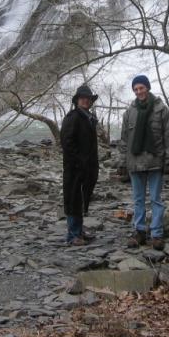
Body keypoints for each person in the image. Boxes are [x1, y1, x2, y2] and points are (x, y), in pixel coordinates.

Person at [118, 74, 169, 250]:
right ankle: (140, 231)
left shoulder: (161, 109)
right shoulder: (129, 112)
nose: (139, 92)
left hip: (156, 161)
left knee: (156, 199)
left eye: (141, 88)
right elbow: (124, 140)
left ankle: (157, 234)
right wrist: (121, 162)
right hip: (135, 162)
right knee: (138, 200)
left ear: (147, 88)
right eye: (135, 89)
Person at [60, 84, 100, 246]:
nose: (86, 100)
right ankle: (73, 235)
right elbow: (67, 143)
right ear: (77, 100)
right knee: (73, 199)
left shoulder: (88, 117)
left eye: (88, 98)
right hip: (74, 168)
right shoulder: (73, 117)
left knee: (82, 199)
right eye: (83, 98)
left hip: (87, 167)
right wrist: (79, 162)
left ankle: (78, 231)